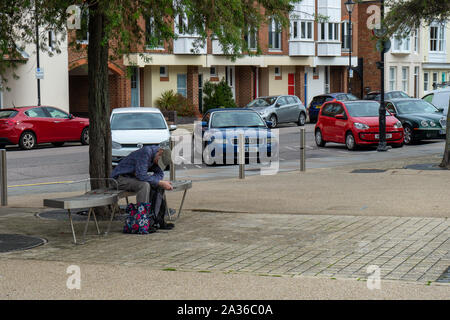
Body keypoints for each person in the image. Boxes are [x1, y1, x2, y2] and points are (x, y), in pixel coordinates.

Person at [111, 142, 175, 230]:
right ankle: (142, 221)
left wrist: (159, 182)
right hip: (119, 179)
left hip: (132, 178)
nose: (157, 164)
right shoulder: (146, 153)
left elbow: (160, 174)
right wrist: (159, 182)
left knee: (158, 185)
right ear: (160, 152)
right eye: (158, 161)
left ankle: (157, 219)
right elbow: (141, 175)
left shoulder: (157, 156)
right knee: (144, 185)